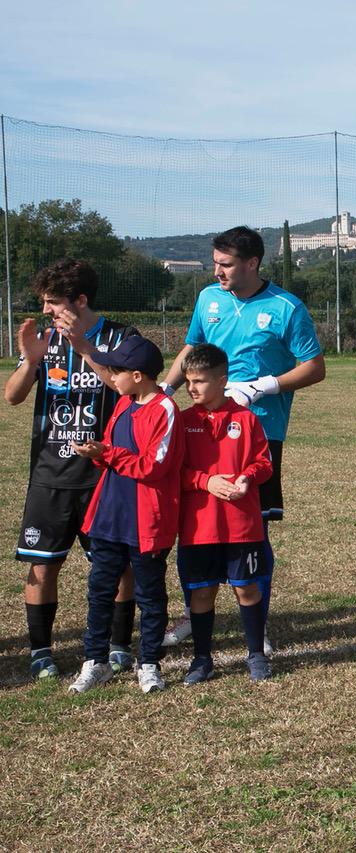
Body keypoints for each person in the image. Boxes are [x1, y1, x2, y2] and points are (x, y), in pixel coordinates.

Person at [162, 226, 325, 653]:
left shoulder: (287, 307)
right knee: (198, 524)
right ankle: (192, 614)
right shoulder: (208, 299)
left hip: (258, 433)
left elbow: (314, 367)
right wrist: (165, 391)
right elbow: (191, 349)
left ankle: (258, 621)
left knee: (252, 530)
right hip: (203, 430)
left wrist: (263, 385)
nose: (217, 271)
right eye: (215, 263)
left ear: (252, 263)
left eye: (226, 264)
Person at [5, 259, 139, 680]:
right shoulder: (46, 338)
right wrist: (30, 361)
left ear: (79, 300)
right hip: (51, 474)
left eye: (53, 302)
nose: (46, 310)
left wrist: (83, 347)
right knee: (43, 565)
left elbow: (125, 389)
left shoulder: (122, 338)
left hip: (106, 474)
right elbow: (12, 397)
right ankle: (41, 651)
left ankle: (118, 644)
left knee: (118, 565)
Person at [67, 336, 183, 694]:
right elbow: (112, 449)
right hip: (109, 516)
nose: (110, 376)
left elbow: (153, 466)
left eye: (115, 371)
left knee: (150, 596)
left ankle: (148, 664)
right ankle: (95, 662)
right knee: (100, 591)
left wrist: (107, 454)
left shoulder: (165, 409)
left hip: (147, 522)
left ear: (137, 375)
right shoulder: (122, 404)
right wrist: (97, 452)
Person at [176, 344, 274, 683]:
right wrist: (205, 481)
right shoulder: (182, 422)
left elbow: (264, 463)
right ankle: (202, 659)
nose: (191, 388)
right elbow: (173, 471)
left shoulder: (246, 419)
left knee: (246, 589)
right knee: (202, 592)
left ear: (222, 381)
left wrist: (247, 477)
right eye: (188, 381)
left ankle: (256, 654)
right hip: (199, 527)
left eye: (199, 381)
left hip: (241, 526)